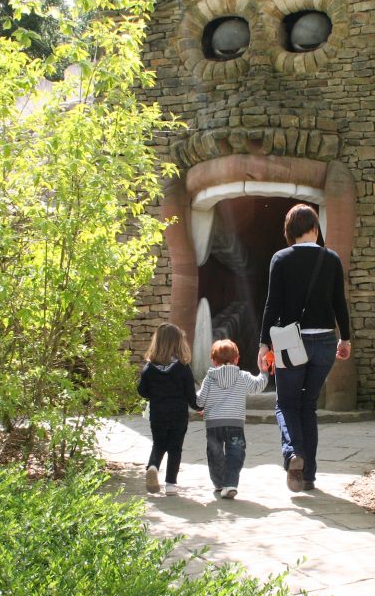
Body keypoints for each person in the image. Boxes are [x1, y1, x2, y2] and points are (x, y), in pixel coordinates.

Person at [257, 204, 352, 493]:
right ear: (315, 228)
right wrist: (345, 339)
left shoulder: (281, 259)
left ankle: (293, 453)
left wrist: (263, 343)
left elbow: (272, 305)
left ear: (289, 231)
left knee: (285, 403)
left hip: (289, 341)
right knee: (307, 406)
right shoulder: (331, 259)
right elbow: (339, 303)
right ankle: (308, 476)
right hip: (324, 341)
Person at [198, 339, 269, 500]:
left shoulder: (209, 378)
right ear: (237, 359)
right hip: (235, 424)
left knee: (214, 454)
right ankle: (231, 484)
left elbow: (200, 401)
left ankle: (219, 483)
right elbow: (258, 386)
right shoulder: (242, 376)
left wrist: (199, 406)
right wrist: (264, 372)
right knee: (235, 454)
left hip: (213, 424)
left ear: (214, 361)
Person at [137, 322, 201, 495]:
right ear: (178, 343)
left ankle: (153, 467)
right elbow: (190, 394)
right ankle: (171, 484)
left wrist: (154, 394)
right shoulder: (183, 368)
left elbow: (141, 391)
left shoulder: (149, 368)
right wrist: (198, 407)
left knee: (158, 444)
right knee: (175, 448)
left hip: (158, 414)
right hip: (178, 415)